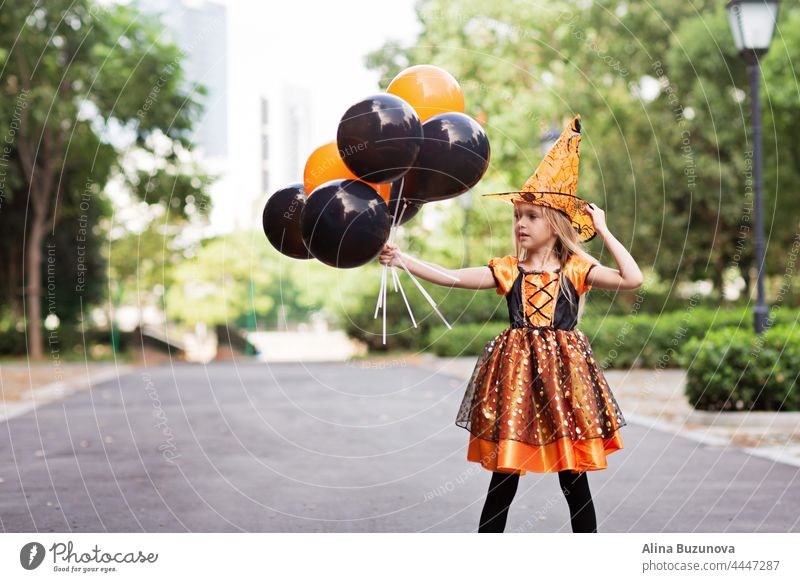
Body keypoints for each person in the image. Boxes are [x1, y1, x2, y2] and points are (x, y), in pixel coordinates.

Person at [377, 114, 643, 533]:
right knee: (503, 477)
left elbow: (633, 279)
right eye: (517, 215)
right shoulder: (508, 270)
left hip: (562, 382)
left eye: (531, 216)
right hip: (516, 380)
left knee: (573, 479)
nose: (520, 223)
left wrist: (603, 229)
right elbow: (451, 276)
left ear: (554, 225)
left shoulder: (576, 267)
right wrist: (402, 259)